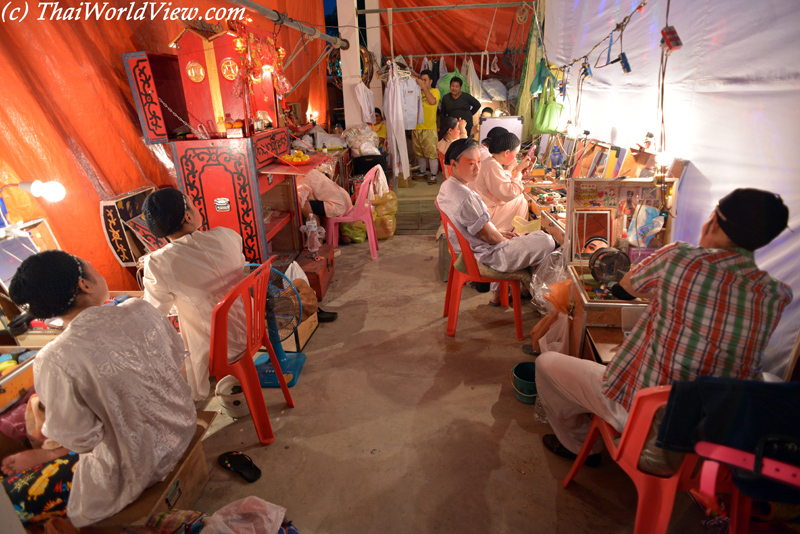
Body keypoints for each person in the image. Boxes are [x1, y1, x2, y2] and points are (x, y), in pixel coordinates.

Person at [535, 188, 793, 467]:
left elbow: (625, 290)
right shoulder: (776, 293)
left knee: (547, 364)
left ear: (715, 221)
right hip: (715, 426)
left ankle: (581, 445)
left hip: (650, 411)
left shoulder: (678, 257)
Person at [2, 250, 196, 527]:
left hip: (140, 468)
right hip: (182, 426)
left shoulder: (54, 358)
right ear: (85, 284)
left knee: (11, 498)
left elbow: (82, 440)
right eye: (93, 267)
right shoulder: (139, 309)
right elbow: (177, 359)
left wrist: (47, 452)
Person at [141, 188, 248, 402]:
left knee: (156, 355)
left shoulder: (159, 262)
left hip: (220, 348)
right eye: (193, 204)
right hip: (252, 328)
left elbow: (152, 313)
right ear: (188, 216)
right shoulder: (227, 235)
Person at [436, 138, 556, 305]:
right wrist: (505, 240)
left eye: (479, 162)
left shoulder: (447, 186)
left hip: (471, 249)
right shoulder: (466, 197)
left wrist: (499, 233)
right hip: (483, 255)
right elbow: (489, 237)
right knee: (547, 240)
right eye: (471, 164)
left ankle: (516, 292)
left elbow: (481, 230)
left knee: (527, 236)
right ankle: (540, 297)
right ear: (454, 164)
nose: (478, 168)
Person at [471, 131, 533, 233]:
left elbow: (502, 186)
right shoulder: (492, 166)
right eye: (516, 154)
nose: (515, 158)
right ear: (507, 152)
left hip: (481, 209)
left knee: (519, 198)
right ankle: (517, 235)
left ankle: (516, 233)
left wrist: (518, 172)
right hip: (485, 214)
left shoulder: (489, 162)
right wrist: (518, 171)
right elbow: (508, 193)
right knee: (521, 201)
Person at [411, 70, 441, 185]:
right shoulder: (417, 92)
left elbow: (432, 102)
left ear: (431, 81)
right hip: (416, 127)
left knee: (431, 153)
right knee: (419, 153)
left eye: (425, 80)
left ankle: (433, 175)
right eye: (421, 80)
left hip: (429, 128)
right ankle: (422, 172)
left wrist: (424, 87)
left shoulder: (435, 91)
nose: (422, 82)